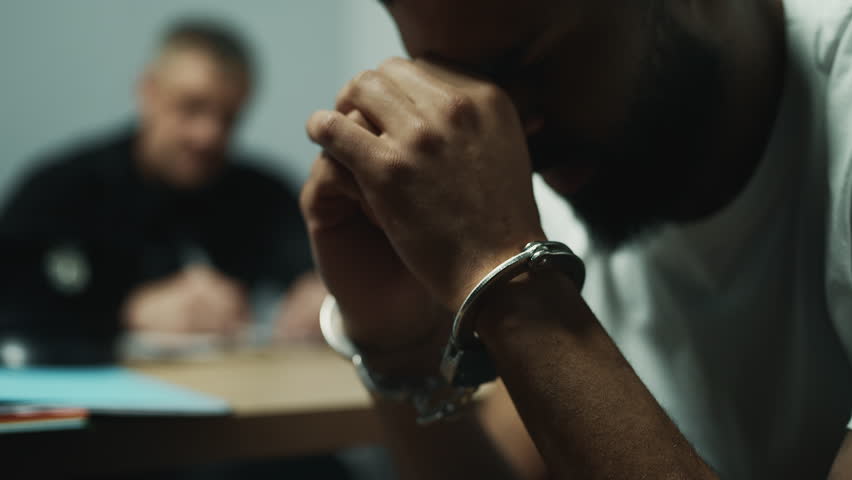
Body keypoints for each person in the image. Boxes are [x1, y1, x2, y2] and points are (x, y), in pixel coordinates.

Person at [301, 0, 852, 478]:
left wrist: (508, 277)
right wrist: (398, 345)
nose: (507, 128)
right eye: (466, 83)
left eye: (531, 64)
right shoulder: (583, 174)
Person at [0, 19, 319, 364]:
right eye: (191, 107)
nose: (208, 135)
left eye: (228, 118)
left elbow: (309, 274)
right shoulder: (60, 191)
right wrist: (128, 312)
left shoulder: (264, 197)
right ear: (148, 92)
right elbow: (14, 305)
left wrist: (324, 299)